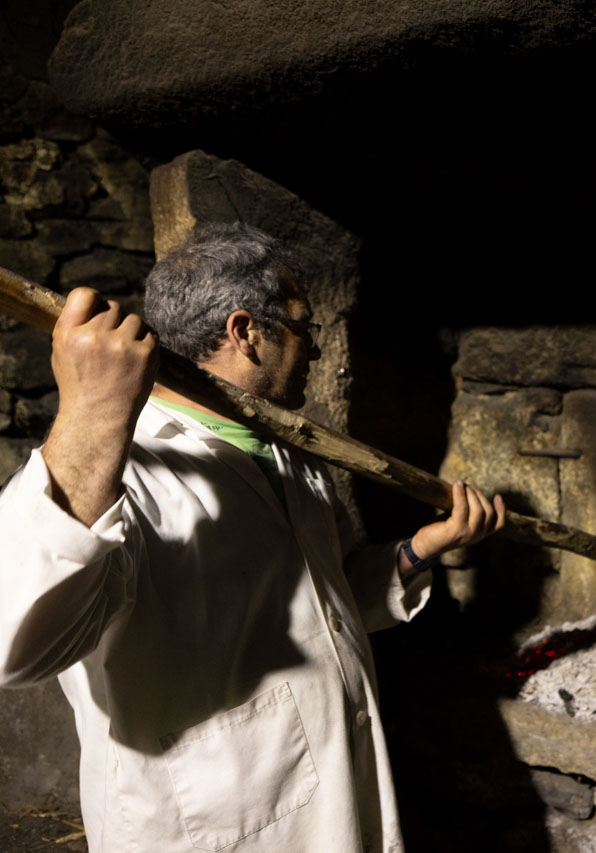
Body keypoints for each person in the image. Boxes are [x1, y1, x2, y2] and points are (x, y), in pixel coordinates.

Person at [0, 222, 504, 852]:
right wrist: (91, 412)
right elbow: (15, 650)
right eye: (303, 326)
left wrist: (425, 547)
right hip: (214, 828)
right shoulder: (112, 469)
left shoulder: (294, 455)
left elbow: (326, 604)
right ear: (247, 332)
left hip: (335, 806)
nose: (316, 350)